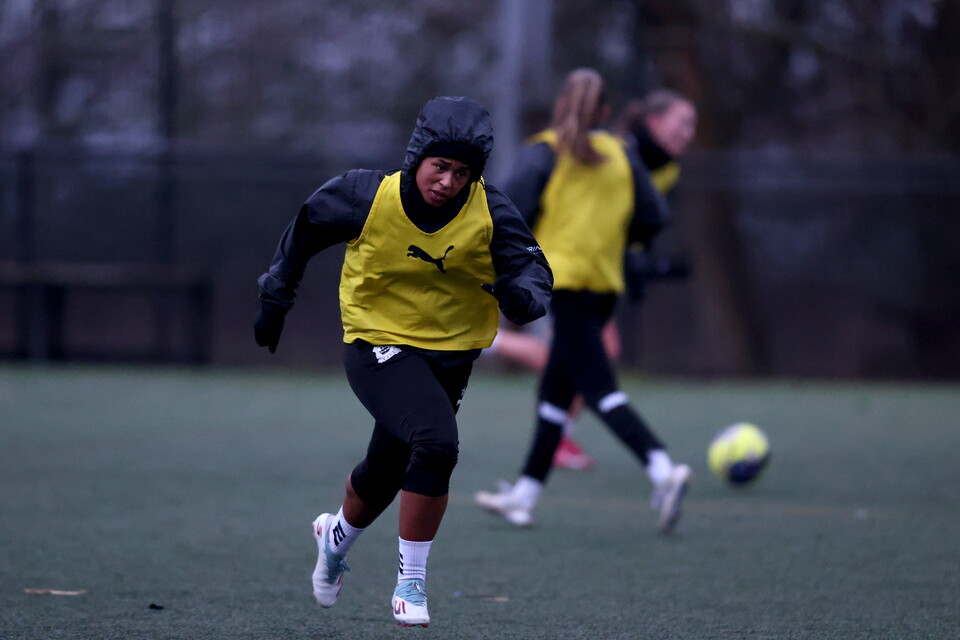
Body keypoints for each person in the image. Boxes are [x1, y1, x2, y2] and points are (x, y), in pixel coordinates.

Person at [254, 96, 552, 627]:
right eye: (440, 166)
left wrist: (522, 296)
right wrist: (275, 300)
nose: (448, 181)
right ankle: (410, 584)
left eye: (462, 172)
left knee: (387, 469)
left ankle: (335, 538)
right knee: (437, 443)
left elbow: (534, 273)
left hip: (452, 353)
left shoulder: (492, 211)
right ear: (418, 156)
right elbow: (302, 233)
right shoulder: (363, 196)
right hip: (376, 339)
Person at [474, 69, 691, 534]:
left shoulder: (546, 151)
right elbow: (655, 214)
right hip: (605, 285)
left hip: (564, 284)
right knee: (556, 392)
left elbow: (507, 211)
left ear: (560, 106)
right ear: (606, 112)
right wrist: (618, 239)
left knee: (598, 389)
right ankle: (524, 496)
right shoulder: (622, 154)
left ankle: (661, 467)